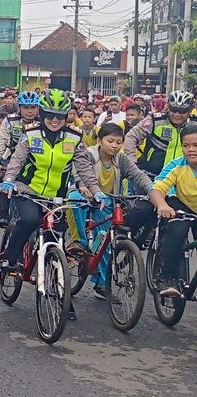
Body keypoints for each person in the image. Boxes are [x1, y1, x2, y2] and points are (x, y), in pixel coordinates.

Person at [0, 89, 103, 276]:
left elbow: (84, 168)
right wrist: (8, 180)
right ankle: (10, 257)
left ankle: (55, 281)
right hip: (28, 188)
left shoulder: (74, 138)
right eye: (50, 115)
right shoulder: (30, 134)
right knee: (30, 220)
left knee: (57, 234)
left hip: (57, 195)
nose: (55, 120)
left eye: (60, 116)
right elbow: (17, 160)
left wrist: (96, 191)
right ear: (42, 114)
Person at [67, 123, 152, 300]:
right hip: (87, 196)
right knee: (75, 199)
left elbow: (138, 176)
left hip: (107, 202)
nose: (114, 146)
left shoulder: (121, 159)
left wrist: (153, 190)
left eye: (118, 142)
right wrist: (83, 186)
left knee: (107, 242)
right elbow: (78, 172)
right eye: (110, 141)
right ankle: (79, 242)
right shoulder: (89, 154)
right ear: (100, 140)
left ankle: (102, 284)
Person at [147, 124, 197, 298]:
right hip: (182, 206)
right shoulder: (176, 166)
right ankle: (167, 278)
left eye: (196, 145)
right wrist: (162, 205)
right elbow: (156, 189)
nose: (191, 150)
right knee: (176, 230)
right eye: (186, 145)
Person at [0, 90, 40, 226]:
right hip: (9, 157)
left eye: (33, 107)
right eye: (26, 107)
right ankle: (4, 215)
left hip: (34, 160)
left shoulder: (42, 123)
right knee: (4, 178)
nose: (29, 111)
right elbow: (1, 142)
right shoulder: (10, 120)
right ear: (20, 107)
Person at [125, 90, 196, 177]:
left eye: (182, 111)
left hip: (184, 176)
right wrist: (132, 161)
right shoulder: (154, 120)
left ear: (190, 110)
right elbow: (131, 137)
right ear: (168, 107)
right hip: (151, 175)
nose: (177, 114)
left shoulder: (194, 123)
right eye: (173, 110)